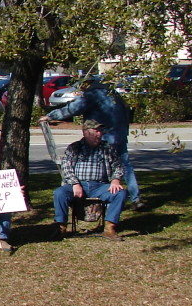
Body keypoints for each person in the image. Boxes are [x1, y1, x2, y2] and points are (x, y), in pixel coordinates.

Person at [40, 78, 145, 210]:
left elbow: (74, 108)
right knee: (125, 165)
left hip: (103, 133)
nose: (81, 91)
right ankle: (136, 198)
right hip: (120, 133)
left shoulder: (93, 94)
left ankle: (105, 202)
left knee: (105, 165)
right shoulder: (113, 94)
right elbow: (126, 111)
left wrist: (51, 116)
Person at [52, 119, 127, 240]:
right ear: (85, 132)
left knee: (121, 193)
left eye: (100, 131)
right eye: (95, 130)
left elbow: (119, 166)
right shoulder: (74, 148)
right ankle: (60, 227)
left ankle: (110, 228)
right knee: (59, 193)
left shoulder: (108, 148)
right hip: (77, 185)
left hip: (100, 185)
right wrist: (75, 183)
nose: (99, 133)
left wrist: (116, 179)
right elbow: (66, 167)